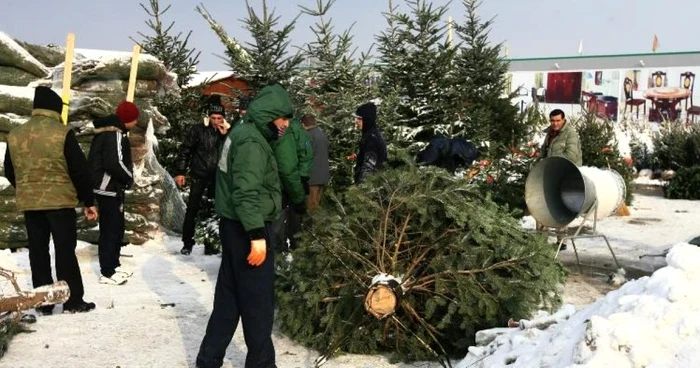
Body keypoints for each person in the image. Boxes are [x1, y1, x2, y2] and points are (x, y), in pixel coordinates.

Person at [196, 84, 289, 368]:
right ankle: (262, 363)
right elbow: (245, 192)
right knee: (258, 300)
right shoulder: (251, 142)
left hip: (234, 226)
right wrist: (257, 235)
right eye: (283, 118)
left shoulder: (244, 132)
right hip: (248, 229)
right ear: (270, 115)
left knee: (230, 297)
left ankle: (209, 358)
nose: (286, 124)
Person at [3, 86, 98, 314]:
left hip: (31, 204)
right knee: (65, 251)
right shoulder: (62, 132)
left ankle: (43, 304)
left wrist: (27, 189)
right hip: (60, 203)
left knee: (38, 252)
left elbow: (9, 170)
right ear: (55, 108)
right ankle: (72, 301)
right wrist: (89, 201)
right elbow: (79, 170)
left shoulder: (16, 134)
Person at [88, 101, 139, 285]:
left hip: (109, 188)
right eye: (135, 119)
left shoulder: (111, 132)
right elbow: (114, 163)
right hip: (108, 188)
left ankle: (114, 264)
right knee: (110, 229)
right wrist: (128, 178)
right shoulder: (114, 134)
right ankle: (107, 271)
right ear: (129, 119)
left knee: (116, 228)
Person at [174, 99, 230, 255]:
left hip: (218, 177)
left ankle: (211, 243)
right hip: (199, 174)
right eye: (213, 118)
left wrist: (224, 136)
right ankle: (187, 242)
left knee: (215, 211)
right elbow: (185, 150)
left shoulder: (227, 132)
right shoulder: (197, 130)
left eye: (219, 118)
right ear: (208, 117)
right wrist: (180, 171)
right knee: (192, 209)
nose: (216, 121)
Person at [270, 115, 313, 253]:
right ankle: (293, 247)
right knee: (290, 217)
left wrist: (301, 182)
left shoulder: (289, 130)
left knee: (284, 218)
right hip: (288, 183)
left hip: (286, 183)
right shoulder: (296, 130)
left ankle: (283, 249)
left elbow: (289, 166)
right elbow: (305, 156)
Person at [353, 102, 387, 184]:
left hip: (370, 190)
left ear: (367, 119)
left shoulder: (372, 139)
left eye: (359, 119)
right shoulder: (369, 135)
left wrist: (361, 191)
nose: (356, 122)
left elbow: (368, 169)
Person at [301, 114, 329, 211]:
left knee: (311, 206)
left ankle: (312, 226)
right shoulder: (322, 134)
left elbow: (305, 156)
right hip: (323, 176)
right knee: (317, 204)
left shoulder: (308, 136)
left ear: (303, 124)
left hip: (312, 177)